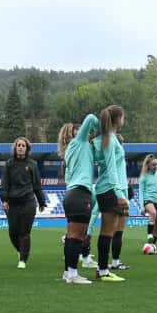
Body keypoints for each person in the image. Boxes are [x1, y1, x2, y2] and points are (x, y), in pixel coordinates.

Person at [57, 118, 100, 284]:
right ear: (75, 134)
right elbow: (91, 118)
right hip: (80, 193)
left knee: (71, 236)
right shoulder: (79, 142)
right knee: (76, 237)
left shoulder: (76, 149)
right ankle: (73, 274)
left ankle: (68, 272)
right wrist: (102, 129)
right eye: (81, 130)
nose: (87, 133)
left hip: (73, 194)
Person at [89, 105, 128, 281]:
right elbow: (112, 169)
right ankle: (103, 270)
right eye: (123, 117)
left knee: (107, 231)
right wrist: (119, 194)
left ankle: (102, 269)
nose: (123, 120)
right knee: (107, 231)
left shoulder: (101, 139)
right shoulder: (109, 140)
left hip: (105, 188)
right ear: (118, 119)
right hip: (110, 189)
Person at [0, 136, 47, 269]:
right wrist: (4, 200)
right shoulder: (9, 164)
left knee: (24, 233)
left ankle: (23, 260)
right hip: (13, 203)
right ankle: (21, 251)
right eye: (18, 145)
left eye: (23, 146)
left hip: (28, 202)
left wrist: (41, 202)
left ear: (27, 149)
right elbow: (5, 183)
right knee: (12, 232)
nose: (21, 147)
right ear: (15, 148)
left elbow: (37, 185)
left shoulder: (32, 164)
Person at [138, 154, 157, 249]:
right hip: (148, 200)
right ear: (148, 165)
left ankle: (153, 246)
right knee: (153, 213)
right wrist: (142, 207)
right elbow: (141, 192)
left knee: (156, 226)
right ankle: (149, 234)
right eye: (153, 165)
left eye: (156, 164)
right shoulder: (144, 177)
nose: (155, 166)